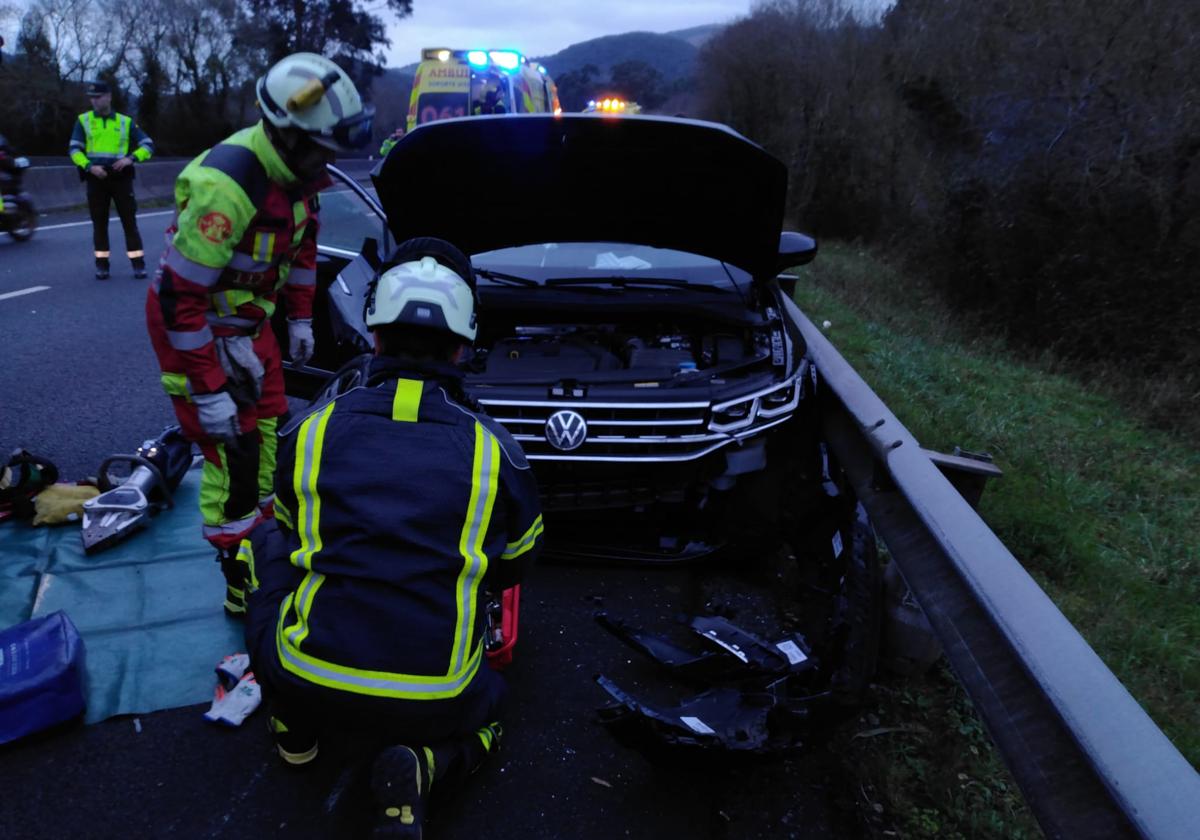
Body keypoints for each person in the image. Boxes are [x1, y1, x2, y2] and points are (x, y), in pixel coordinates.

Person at [241, 236, 544, 837]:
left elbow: (293, 539)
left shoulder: (310, 432)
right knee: (496, 709)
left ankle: (293, 730)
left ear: (373, 335)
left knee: (266, 552)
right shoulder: (496, 451)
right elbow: (514, 566)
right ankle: (428, 767)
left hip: (309, 675)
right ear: (464, 348)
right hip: (438, 697)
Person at [145, 52, 374, 615]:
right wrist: (207, 389)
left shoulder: (298, 177)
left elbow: (301, 252)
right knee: (233, 455)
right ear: (288, 133)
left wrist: (298, 316)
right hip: (195, 329)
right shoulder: (228, 186)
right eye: (324, 147)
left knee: (269, 431)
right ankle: (238, 577)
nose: (331, 162)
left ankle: (265, 547)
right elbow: (180, 297)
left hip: (248, 321)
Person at [68, 81, 155, 279]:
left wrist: (130, 158)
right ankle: (102, 265)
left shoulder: (125, 122)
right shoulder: (83, 120)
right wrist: (89, 166)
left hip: (121, 178)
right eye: (92, 97)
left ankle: (138, 264)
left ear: (109, 97)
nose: (94, 101)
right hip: (96, 178)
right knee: (99, 224)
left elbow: (148, 145)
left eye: (98, 97)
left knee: (129, 222)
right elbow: (74, 150)